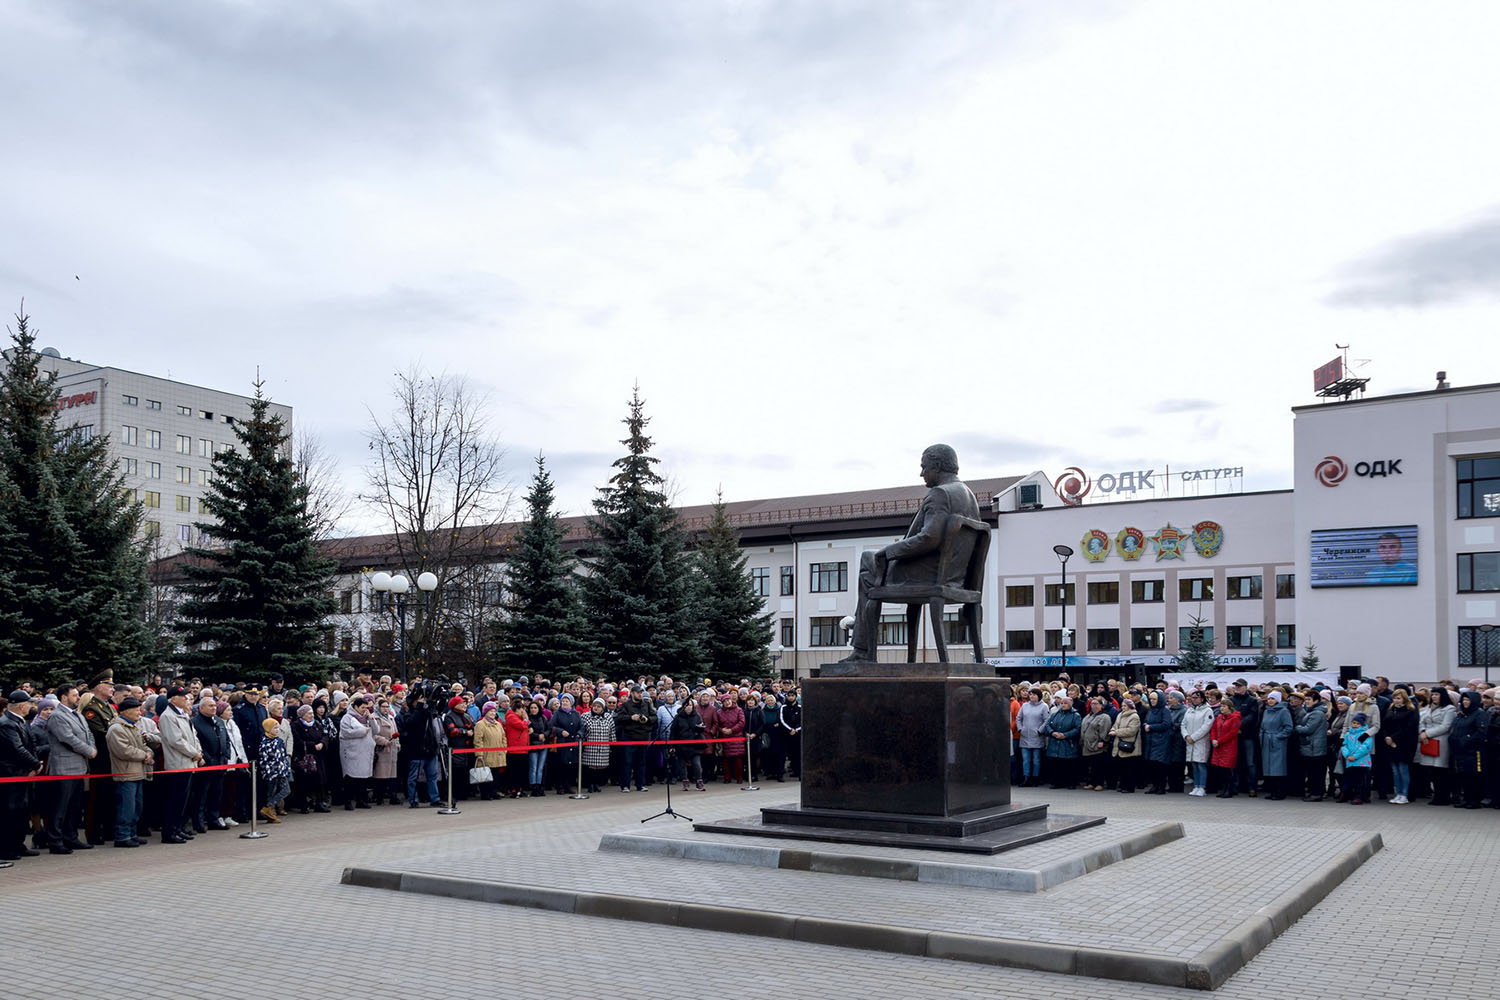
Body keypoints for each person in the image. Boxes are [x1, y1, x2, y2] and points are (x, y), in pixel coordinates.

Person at [841, 444, 982, 661]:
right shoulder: (968, 495)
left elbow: (929, 538)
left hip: (927, 575)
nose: (921, 473)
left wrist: (888, 551)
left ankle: (863, 651)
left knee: (868, 563)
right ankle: (863, 650)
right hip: (957, 578)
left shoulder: (940, 493)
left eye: (924, 467)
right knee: (870, 569)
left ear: (937, 465)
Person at [42, 684, 98, 853]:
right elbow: (67, 738)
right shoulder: (57, 716)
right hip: (63, 768)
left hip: (79, 767)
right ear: (64, 698)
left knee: (74, 806)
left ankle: (71, 837)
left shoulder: (78, 715)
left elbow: (89, 734)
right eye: (74, 695)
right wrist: (88, 751)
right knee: (60, 807)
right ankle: (55, 841)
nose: (78, 698)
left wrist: (92, 748)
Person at [0, 692, 46, 863]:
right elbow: (17, 749)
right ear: (21, 705)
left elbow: (31, 744)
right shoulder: (6, 724)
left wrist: (36, 763)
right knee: (9, 812)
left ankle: (18, 844)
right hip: (10, 773)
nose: (31, 707)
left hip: (23, 772)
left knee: (21, 811)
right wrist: (35, 764)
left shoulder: (21, 721)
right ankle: (6, 848)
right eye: (29, 704)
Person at [157, 685, 204, 844]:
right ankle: (169, 832)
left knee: (183, 800)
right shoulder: (168, 716)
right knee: (174, 800)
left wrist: (198, 752)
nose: (186, 699)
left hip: (188, 762)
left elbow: (193, 735)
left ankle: (178, 828)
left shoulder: (182, 714)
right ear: (173, 699)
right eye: (182, 696)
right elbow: (176, 740)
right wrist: (194, 753)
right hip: (178, 763)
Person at [104, 697, 153, 848]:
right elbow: (124, 751)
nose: (140, 713)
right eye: (136, 710)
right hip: (125, 774)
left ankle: (132, 833)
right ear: (126, 712)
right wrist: (144, 755)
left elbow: (143, 745)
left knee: (136, 807)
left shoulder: (134, 727)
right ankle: (122, 836)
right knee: (126, 807)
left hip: (138, 772)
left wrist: (149, 753)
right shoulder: (117, 729)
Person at [190, 695, 231, 832]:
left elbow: (226, 740)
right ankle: (199, 821)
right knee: (201, 795)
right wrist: (208, 759)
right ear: (201, 708)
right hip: (206, 765)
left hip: (220, 764)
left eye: (214, 706)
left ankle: (213, 819)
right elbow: (198, 743)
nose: (214, 708)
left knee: (216, 794)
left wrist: (225, 757)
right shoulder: (195, 722)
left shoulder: (219, 721)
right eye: (210, 706)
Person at [1449, 689, 1487, 809]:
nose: (1465, 702)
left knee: (1473, 776)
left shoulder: (1479, 713)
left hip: (1473, 751)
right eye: (1464, 700)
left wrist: (1466, 741)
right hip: (1459, 751)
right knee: (1463, 775)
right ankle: (1466, 798)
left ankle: (1474, 800)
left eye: (1468, 700)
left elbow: (1480, 732)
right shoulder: (1461, 714)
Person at [1419, 688, 1457, 805]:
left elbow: (1446, 726)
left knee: (1441, 770)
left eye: (1437, 694)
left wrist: (1428, 733)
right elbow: (1422, 722)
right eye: (1433, 694)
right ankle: (1437, 795)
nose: (1434, 697)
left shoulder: (1449, 709)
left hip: (1441, 741)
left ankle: (1444, 796)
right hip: (1428, 741)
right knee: (1432, 771)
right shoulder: (1429, 708)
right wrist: (1422, 732)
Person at [1382, 688, 1419, 804]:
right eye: (1394, 698)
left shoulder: (1411, 710)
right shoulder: (1391, 709)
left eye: (1398, 698)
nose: (1396, 700)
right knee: (1395, 770)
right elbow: (1385, 725)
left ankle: (1404, 794)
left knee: (1403, 769)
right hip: (1390, 742)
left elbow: (1409, 728)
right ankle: (1398, 793)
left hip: (1404, 743)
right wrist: (1387, 737)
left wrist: (1394, 738)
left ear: (1404, 699)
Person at [339, 696, 376, 810]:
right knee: (351, 778)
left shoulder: (367, 717)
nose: (364, 710)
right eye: (362, 707)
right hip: (352, 752)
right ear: (355, 707)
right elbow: (346, 733)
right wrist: (362, 731)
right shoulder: (347, 718)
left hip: (365, 752)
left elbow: (376, 730)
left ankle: (361, 800)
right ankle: (348, 801)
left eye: (366, 708)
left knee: (363, 779)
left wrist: (371, 719)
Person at [1294, 689, 1329, 802]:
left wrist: (1297, 727)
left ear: (1316, 701)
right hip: (1311, 747)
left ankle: (1316, 793)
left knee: (1315, 773)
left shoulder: (1317, 713)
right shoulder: (1312, 712)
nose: (1307, 702)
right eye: (1306, 699)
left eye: (1309, 699)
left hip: (1315, 748)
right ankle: (1314, 792)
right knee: (1312, 772)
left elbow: (1308, 729)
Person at [1258, 690, 1293, 800]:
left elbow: (1288, 727)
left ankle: (1280, 791)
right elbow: (1262, 725)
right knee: (1268, 767)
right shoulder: (1266, 711)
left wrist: (1278, 737)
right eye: (1269, 698)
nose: (1270, 701)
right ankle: (1272, 790)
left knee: (1278, 767)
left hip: (1277, 742)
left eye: (1272, 698)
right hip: (1266, 741)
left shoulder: (1283, 711)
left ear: (1278, 699)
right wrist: (1261, 736)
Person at [1180, 689, 1214, 797]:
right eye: (1192, 697)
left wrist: (1194, 737)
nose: (1193, 700)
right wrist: (1186, 736)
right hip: (1190, 741)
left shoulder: (1207, 710)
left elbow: (1206, 727)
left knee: (1201, 764)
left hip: (1200, 741)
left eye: (1196, 697)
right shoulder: (1189, 710)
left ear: (1202, 699)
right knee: (1194, 764)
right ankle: (1196, 786)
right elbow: (1183, 724)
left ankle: (1202, 787)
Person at [1229, 679, 1261, 797]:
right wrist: (1234, 728)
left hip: (1248, 735)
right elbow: (1228, 715)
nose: (1237, 687)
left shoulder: (1252, 701)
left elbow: (1252, 716)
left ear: (1245, 687)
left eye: (1239, 686)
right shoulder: (1231, 700)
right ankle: (1235, 786)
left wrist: (1238, 725)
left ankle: (1252, 787)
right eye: (1236, 685)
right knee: (1235, 762)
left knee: (1250, 762)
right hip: (1234, 736)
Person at [669, 696, 707, 790]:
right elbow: (673, 732)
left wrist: (700, 728)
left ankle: (699, 781)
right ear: (683, 707)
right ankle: (685, 782)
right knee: (682, 765)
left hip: (694, 744)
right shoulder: (678, 717)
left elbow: (701, 729)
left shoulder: (697, 716)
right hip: (681, 745)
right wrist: (672, 745)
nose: (688, 707)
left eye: (690, 705)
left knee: (697, 764)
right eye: (686, 705)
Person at [257, 717, 291, 822]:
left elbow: (283, 756)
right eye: (275, 728)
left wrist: (286, 768)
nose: (277, 730)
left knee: (286, 790)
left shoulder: (279, 741)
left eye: (278, 728)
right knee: (270, 792)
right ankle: (270, 814)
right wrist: (267, 772)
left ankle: (268, 806)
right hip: (271, 772)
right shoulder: (264, 743)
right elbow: (264, 760)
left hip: (281, 771)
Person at [1044, 695, 1081, 789]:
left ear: (1070, 705)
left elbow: (1077, 729)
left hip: (1068, 743)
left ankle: (1070, 783)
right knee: (1056, 763)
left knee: (1068, 764)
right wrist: (1052, 732)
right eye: (1062, 703)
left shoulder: (1075, 715)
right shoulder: (1055, 714)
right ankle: (1057, 782)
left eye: (1065, 703)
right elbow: (1047, 725)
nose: (1063, 705)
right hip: (1055, 741)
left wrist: (1065, 735)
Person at [548, 693, 583, 795]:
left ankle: (568, 786)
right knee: (562, 765)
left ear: (571, 703)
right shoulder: (557, 714)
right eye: (563, 701)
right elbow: (551, 726)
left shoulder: (576, 713)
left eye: (567, 701)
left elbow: (581, 726)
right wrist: (560, 731)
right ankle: (560, 787)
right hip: (562, 743)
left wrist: (579, 734)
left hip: (573, 743)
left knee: (571, 766)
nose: (564, 703)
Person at [471, 703, 507, 802]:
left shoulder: (498, 724)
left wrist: (504, 749)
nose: (493, 713)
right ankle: (485, 793)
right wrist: (479, 754)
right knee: (486, 774)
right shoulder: (480, 724)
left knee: (495, 774)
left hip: (498, 752)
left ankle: (493, 792)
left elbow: (504, 737)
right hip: (486, 753)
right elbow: (478, 740)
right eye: (490, 711)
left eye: (494, 711)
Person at [1108, 695, 1142, 793]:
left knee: (1129, 768)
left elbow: (1131, 730)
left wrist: (1116, 732)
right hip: (1119, 745)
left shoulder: (1134, 716)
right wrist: (1113, 730)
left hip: (1130, 744)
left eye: (1125, 706)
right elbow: (1115, 725)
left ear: (1130, 707)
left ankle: (1129, 787)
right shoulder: (1120, 715)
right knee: (1122, 768)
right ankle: (1123, 785)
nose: (1123, 708)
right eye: (1122, 706)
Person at [1140, 690, 1172, 795]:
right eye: (1151, 699)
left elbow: (1166, 724)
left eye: (1154, 699)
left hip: (1161, 741)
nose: (1152, 701)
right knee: (1152, 764)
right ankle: (1154, 786)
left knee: (1160, 765)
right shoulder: (1151, 710)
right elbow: (1146, 721)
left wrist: (1152, 727)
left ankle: (1161, 787)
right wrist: (1145, 725)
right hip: (1150, 740)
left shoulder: (1164, 710)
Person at [581, 698, 615, 794]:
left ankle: (597, 784)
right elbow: (582, 730)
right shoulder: (585, 716)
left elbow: (612, 732)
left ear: (603, 708)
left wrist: (613, 745)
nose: (596, 708)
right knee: (590, 767)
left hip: (603, 746)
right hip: (590, 746)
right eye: (595, 706)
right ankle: (590, 784)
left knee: (600, 767)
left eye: (599, 706)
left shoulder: (608, 717)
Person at [371, 697, 401, 805]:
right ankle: (379, 797)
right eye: (383, 706)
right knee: (380, 775)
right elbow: (372, 734)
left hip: (392, 750)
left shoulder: (391, 718)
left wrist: (397, 744)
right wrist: (383, 741)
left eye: (387, 706)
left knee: (392, 775)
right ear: (378, 707)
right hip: (381, 750)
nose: (385, 709)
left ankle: (393, 797)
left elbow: (396, 732)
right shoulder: (374, 718)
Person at [1209, 697, 1241, 797]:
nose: (1222, 708)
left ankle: (1229, 789)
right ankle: (1223, 789)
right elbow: (1213, 729)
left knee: (1227, 769)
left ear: (1229, 707)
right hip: (1218, 746)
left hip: (1228, 746)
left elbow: (1232, 733)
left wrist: (1219, 740)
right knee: (1220, 769)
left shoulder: (1234, 718)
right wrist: (1213, 739)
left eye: (1224, 706)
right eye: (1221, 706)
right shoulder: (1219, 717)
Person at [1016, 689, 1048, 787]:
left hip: (1037, 736)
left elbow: (1046, 720)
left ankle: (1035, 778)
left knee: (1036, 759)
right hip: (1025, 736)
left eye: (1034, 695)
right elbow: (1019, 718)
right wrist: (1020, 728)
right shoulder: (1025, 706)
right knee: (1026, 759)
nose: (1032, 696)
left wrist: (1040, 730)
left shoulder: (1044, 706)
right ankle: (1026, 777)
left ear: (1039, 696)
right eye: (1030, 695)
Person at [1340, 712, 1374, 804]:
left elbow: (1365, 747)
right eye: (1354, 723)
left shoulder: (1365, 734)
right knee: (1349, 778)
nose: (1355, 725)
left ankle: (1359, 796)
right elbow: (1344, 745)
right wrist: (1347, 755)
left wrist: (1355, 756)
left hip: (1361, 761)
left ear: (1362, 724)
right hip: (1350, 761)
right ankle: (1347, 794)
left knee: (1360, 780)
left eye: (1357, 723)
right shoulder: (1348, 734)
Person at [1079, 697, 1112, 790]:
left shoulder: (1105, 717)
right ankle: (1091, 782)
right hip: (1087, 745)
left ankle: (1099, 783)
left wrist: (1103, 741)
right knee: (1090, 766)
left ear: (1101, 705)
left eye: (1096, 704)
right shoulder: (1088, 716)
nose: (1094, 706)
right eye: (1092, 704)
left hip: (1097, 745)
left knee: (1098, 765)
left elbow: (1105, 730)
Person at [715, 692, 747, 785]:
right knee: (726, 760)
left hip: (736, 737)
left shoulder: (738, 710)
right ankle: (727, 777)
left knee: (738, 759)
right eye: (725, 701)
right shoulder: (719, 712)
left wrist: (732, 730)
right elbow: (717, 724)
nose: (727, 702)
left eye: (728, 700)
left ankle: (739, 777)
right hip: (725, 737)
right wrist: (722, 730)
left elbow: (742, 722)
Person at [503, 698, 530, 799]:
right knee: (515, 771)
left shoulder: (519, 718)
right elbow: (522, 726)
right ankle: (514, 789)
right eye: (521, 709)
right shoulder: (511, 717)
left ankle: (520, 789)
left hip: (523, 748)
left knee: (522, 770)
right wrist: (526, 720)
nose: (523, 712)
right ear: (516, 709)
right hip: (515, 748)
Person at [526, 699, 549, 797]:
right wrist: (537, 736)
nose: (533, 709)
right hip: (533, 745)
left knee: (540, 767)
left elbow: (548, 728)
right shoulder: (527, 719)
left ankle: (540, 787)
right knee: (533, 767)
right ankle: (533, 787)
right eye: (531, 708)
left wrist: (544, 735)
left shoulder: (543, 718)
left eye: (535, 708)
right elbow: (528, 732)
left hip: (543, 745)